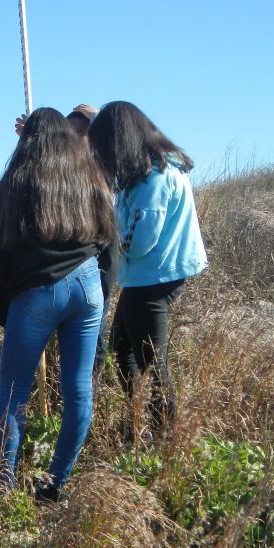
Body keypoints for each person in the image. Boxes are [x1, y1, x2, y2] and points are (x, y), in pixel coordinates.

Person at [0, 107, 117, 502]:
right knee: (78, 390)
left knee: (12, 392)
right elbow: (109, 239)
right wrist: (100, 293)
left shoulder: (19, 178)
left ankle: (3, 485)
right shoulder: (92, 175)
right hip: (89, 287)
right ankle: (56, 483)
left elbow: (0, 251)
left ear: (29, 140)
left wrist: (2, 311)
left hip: (38, 291)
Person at [87, 101, 207, 431]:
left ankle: (162, 436)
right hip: (147, 276)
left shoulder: (153, 178)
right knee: (123, 347)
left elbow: (140, 241)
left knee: (152, 363)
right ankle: (139, 418)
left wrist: (112, 235)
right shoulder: (151, 169)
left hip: (153, 277)